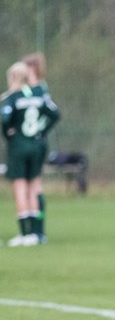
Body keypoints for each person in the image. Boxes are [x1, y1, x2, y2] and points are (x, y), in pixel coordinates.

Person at [1, 60, 59, 246]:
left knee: (20, 189)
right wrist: (41, 130)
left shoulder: (12, 97)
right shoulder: (39, 95)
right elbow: (55, 114)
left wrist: (9, 135)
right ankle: (36, 233)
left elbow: (4, 119)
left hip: (18, 146)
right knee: (34, 187)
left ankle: (25, 234)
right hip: (37, 145)